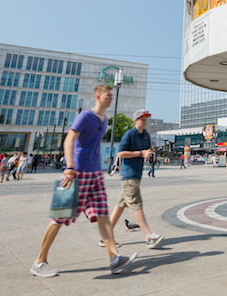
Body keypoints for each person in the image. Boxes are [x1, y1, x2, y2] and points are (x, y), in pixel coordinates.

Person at [31, 84, 136, 278]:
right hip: (77, 172)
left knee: (103, 215)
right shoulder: (85, 117)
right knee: (60, 217)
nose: (110, 97)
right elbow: (68, 140)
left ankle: (114, 259)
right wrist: (69, 168)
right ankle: (39, 262)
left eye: (111, 95)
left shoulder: (104, 120)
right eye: (107, 95)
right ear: (97, 97)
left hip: (95, 174)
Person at [109, 109, 164, 249]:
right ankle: (148, 235)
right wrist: (141, 153)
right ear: (135, 121)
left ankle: (105, 236)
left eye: (146, 119)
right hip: (128, 175)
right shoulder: (129, 134)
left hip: (137, 174)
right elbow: (121, 153)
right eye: (142, 119)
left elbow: (146, 152)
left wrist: (149, 155)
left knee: (120, 206)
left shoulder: (146, 135)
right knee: (136, 203)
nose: (144, 121)